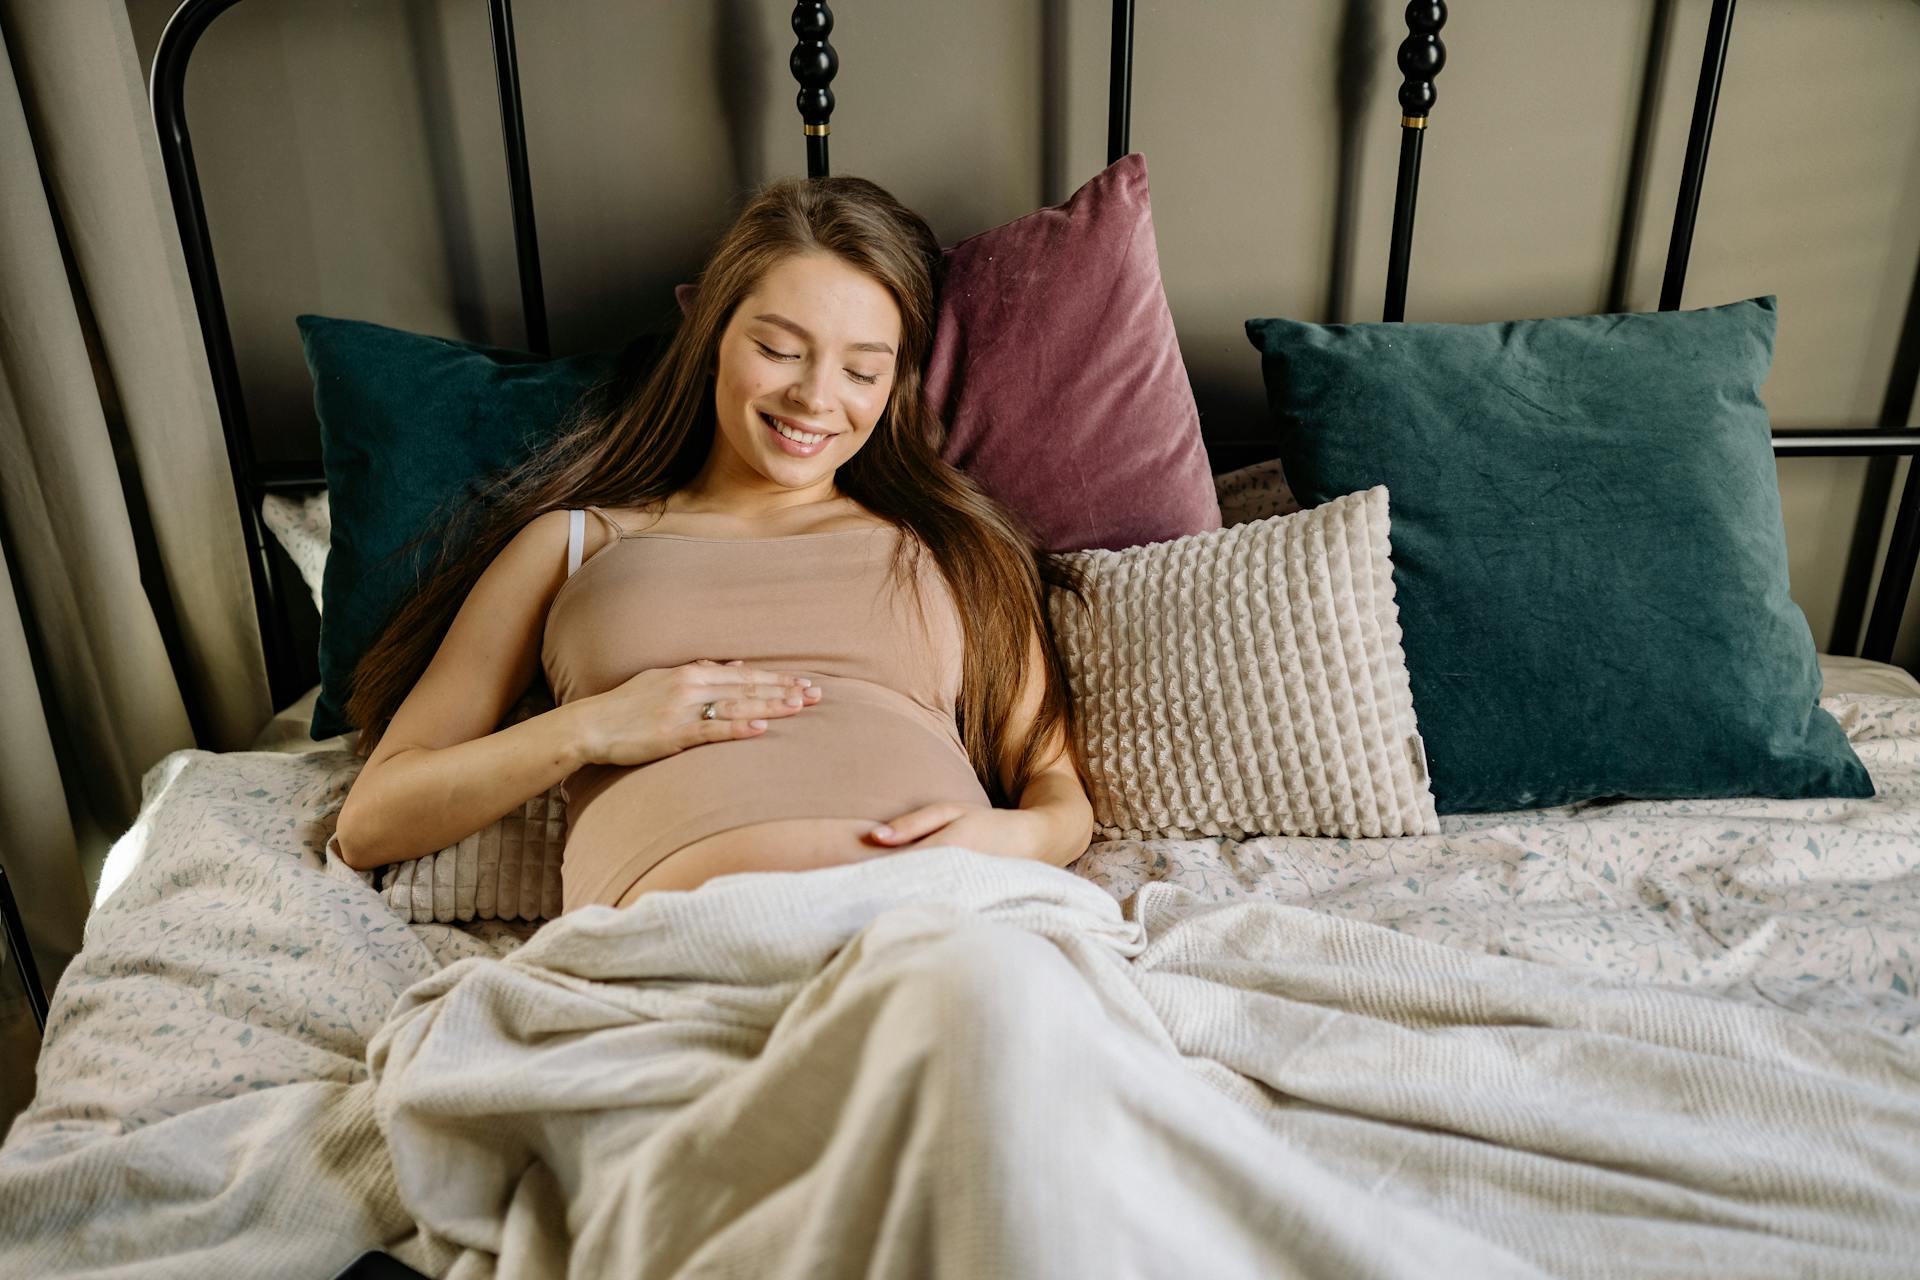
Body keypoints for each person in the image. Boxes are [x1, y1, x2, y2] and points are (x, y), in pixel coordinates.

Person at [333, 175, 1096, 912]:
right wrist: (590, 727)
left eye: (862, 370)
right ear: (713, 339)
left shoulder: (948, 544)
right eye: (780, 350)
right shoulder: (574, 544)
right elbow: (372, 822)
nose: (816, 397)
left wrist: (1013, 839)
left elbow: (1056, 789)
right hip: (682, 946)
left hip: (946, 917)